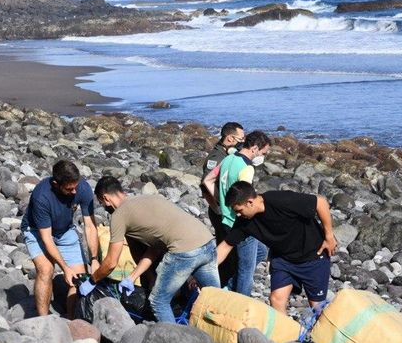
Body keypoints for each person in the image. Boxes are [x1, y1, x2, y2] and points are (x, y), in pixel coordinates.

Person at [81, 176, 220, 323]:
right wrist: (135, 277)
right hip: (207, 241)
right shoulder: (149, 199)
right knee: (215, 298)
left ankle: (176, 342)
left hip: (184, 251)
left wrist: (92, 280)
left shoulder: (119, 215)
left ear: (105, 198)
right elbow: (155, 248)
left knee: (158, 301)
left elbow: (110, 262)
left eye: (102, 203)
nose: (104, 207)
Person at [216, 181, 338, 315]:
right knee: (276, 299)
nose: (238, 215)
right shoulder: (244, 221)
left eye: (239, 210)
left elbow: (320, 202)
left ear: (250, 202)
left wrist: (329, 236)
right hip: (283, 259)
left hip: (313, 256)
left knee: (317, 308)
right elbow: (226, 245)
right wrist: (206, 267)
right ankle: (286, 335)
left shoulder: (280, 200)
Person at [20, 160, 99, 317]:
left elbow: (90, 226)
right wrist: (65, 268)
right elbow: (47, 238)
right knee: (46, 270)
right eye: (69, 189)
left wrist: (95, 259)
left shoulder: (82, 188)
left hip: (65, 230)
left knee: (79, 278)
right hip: (36, 231)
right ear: (56, 184)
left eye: (76, 187)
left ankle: (71, 319)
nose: (75, 192)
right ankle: (44, 320)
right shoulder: (41, 196)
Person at [203, 130, 271, 296]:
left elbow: (207, 180)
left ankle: (229, 286)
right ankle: (240, 302)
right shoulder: (247, 168)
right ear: (255, 148)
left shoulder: (228, 158)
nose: (263, 156)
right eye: (263, 153)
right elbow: (245, 198)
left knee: (262, 251)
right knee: (246, 271)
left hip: (225, 218)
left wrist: (220, 202)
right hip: (240, 222)